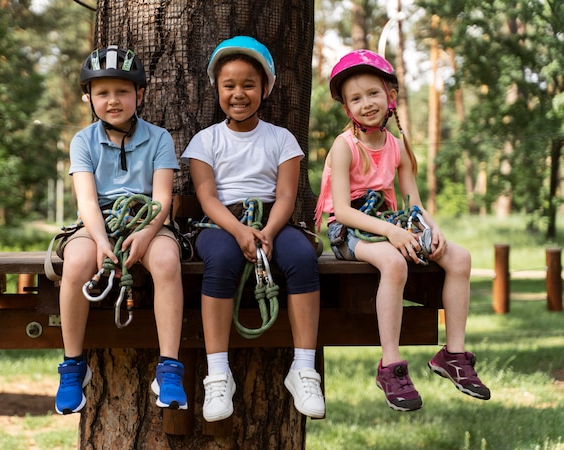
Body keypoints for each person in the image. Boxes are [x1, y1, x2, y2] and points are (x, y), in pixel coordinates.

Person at [315, 49, 491, 412]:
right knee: (394, 264)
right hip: (350, 230)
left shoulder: (396, 146)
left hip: (391, 223)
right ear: (347, 108)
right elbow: (344, 212)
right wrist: (392, 234)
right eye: (356, 98)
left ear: (390, 97)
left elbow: (413, 202)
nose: (366, 103)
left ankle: (453, 355)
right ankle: (390, 365)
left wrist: (432, 227)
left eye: (373, 93)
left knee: (459, 258)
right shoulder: (345, 146)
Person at [181, 36, 325, 422]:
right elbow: (208, 197)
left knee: (301, 257)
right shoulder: (205, 141)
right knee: (222, 259)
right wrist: (241, 233)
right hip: (220, 222)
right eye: (229, 86)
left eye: (249, 85)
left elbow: (286, 195)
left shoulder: (282, 139)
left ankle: (304, 368)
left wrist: (269, 232)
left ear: (265, 88)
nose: (239, 94)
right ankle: (217, 372)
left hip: (272, 221)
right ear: (217, 89)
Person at [54, 45, 187, 415]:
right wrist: (99, 239)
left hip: (148, 221)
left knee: (165, 260)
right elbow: (87, 202)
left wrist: (145, 235)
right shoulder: (83, 141)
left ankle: (170, 367)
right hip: (99, 222)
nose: (113, 101)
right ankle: (72, 366)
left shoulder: (159, 138)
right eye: (102, 93)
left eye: (122, 92)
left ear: (139, 95)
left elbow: (160, 199)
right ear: (89, 98)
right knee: (77, 261)